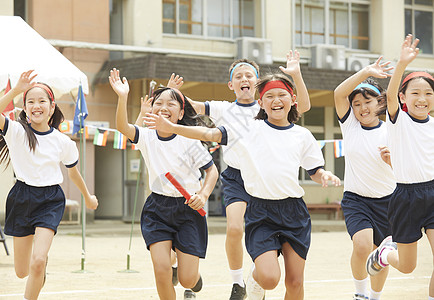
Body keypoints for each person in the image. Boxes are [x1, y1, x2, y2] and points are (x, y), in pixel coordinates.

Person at [144, 69, 341, 300]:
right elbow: (210, 133)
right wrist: (175, 128)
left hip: (294, 212)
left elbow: (314, 170)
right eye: (269, 96)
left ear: (292, 100)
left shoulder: (303, 135)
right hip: (262, 212)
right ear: (261, 103)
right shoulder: (248, 129)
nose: (276, 101)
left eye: (282, 95)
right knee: (269, 278)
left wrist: (324, 175)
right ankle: (253, 278)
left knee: (295, 282)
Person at [167, 51, 311, 300]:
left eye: (250, 75)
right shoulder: (224, 108)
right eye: (238, 76)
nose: (244, 78)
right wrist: (172, 94)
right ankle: (237, 284)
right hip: (235, 177)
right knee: (234, 228)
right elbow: (192, 106)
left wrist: (296, 74)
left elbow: (303, 106)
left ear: (257, 84)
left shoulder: (270, 104)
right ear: (231, 85)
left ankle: (259, 271)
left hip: (263, 177)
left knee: (264, 234)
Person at [0, 70, 98, 300]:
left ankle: (39, 267)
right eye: (31, 102)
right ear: (24, 108)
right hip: (21, 197)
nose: (36, 106)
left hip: (50, 200)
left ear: (52, 106)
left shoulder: (63, 142)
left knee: (37, 261)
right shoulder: (15, 132)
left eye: (42, 101)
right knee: (22, 271)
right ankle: (39, 269)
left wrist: (88, 197)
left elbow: (74, 174)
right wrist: (16, 90)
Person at [109, 68, 219, 300]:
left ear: (180, 114)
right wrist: (122, 97)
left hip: (189, 209)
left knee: (187, 279)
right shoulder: (147, 136)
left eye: (171, 104)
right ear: (151, 109)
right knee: (161, 269)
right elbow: (123, 128)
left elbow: (212, 170)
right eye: (159, 103)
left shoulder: (189, 139)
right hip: (157, 209)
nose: (164, 108)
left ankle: (191, 278)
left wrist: (204, 194)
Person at [366, 35, 434, 299]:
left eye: (428, 93)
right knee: (407, 266)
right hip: (406, 198)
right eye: (415, 93)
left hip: (432, 192)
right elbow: (390, 94)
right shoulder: (398, 120)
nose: (422, 98)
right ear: (404, 98)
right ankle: (385, 253)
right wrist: (402, 64)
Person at [333, 57, 396, 300]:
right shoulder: (350, 126)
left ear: (380, 103)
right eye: (357, 103)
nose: (362, 108)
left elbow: (405, 170)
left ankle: (375, 297)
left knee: (380, 254)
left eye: (367, 101)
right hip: (356, 199)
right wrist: (365, 72)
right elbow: (340, 94)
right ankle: (360, 294)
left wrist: (393, 161)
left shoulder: (391, 127)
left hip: (389, 202)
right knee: (362, 245)